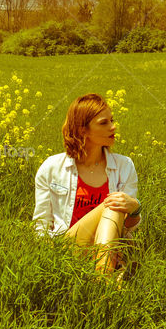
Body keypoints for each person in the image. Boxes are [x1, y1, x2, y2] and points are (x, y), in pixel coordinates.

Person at [32, 93, 142, 279]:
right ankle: (107, 279)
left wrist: (135, 209)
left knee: (114, 205)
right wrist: (49, 260)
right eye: (103, 123)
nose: (113, 127)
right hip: (69, 248)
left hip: (112, 246)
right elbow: (41, 224)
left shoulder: (125, 166)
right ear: (83, 130)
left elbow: (128, 230)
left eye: (112, 121)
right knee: (111, 204)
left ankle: (103, 277)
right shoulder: (52, 168)